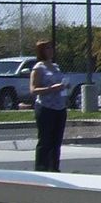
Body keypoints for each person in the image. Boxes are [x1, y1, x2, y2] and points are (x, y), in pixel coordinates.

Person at [29, 39, 68, 172]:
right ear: (41, 51)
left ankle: (54, 168)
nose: (51, 50)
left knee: (56, 141)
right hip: (45, 108)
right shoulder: (38, 68)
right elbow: (33, 90)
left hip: (60, 108)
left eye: (51, 48)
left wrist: (64, 86)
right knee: (45, 140)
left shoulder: (55, 66)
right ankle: (41, 168)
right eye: (47, 48)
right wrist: (51, 88)